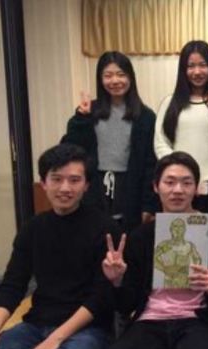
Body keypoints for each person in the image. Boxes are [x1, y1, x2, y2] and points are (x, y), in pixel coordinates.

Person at [92, 152, 208, 349]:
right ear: (156, 186)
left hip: (198, 321)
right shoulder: (142, 237)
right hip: (150, 321)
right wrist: (116, 281)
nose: (177, 190)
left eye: (186, 182)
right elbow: (126, 304)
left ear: (197, 188)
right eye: (169, 182)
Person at [0, 144, 120, 349]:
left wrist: (54, 341)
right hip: (35, 325)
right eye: (56, 179)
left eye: (74, 180)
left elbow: (101, 298)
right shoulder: (33, 228)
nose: (65, 188)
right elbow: (12, 285)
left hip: (88, 330)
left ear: (86, 185)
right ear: (43, 183)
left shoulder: (105, 228)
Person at [62, 51, 157, 232]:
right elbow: (71, 148)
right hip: (96, 184)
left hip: (130, 185)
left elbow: (150, 163)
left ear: (130, 77)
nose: (115, 81)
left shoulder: (146, 116)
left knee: (127, 236)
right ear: (100, 79)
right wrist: (81, 118)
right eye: (108, 75)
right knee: (95, 234)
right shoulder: (90, 110)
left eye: (121, 74)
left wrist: (149, 204)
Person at [154, 40, 208, 227]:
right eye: (191, 66)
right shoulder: (170, 103)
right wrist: (183, 174)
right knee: (179, 242)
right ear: (183, 70)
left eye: (203, 65)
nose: (197, 71)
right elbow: (161, 143)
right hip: (180, 187)